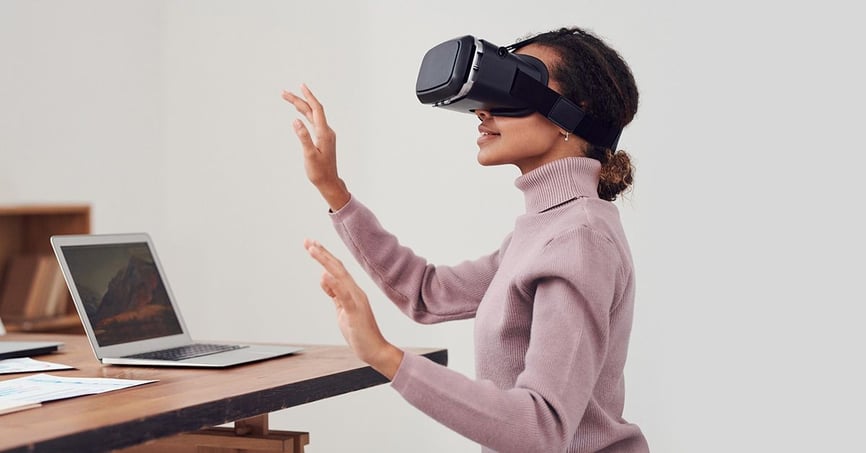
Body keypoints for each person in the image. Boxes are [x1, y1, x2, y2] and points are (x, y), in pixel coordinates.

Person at [283, 26, 649, 453]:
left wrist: (384, 354)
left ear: (573, 112)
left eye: (519, 85)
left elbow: (541, 427)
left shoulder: (578, 238)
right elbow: (427, 294)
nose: (483, 111)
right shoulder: (548, 229)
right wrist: (333, 188)